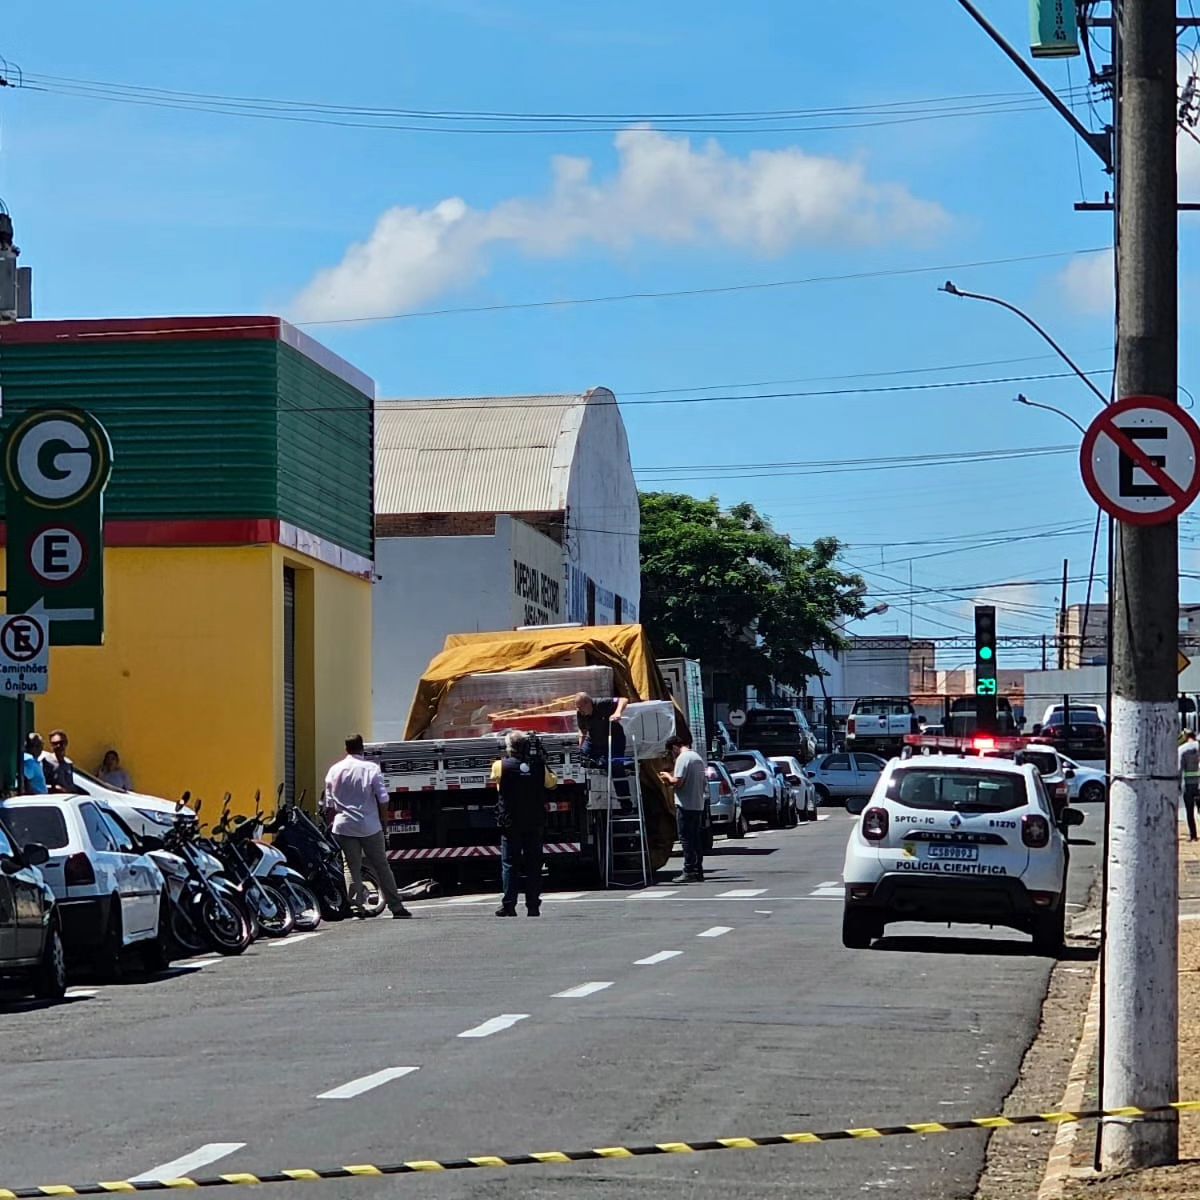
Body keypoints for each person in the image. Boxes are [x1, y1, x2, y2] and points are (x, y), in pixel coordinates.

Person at [322, 734, 412, 919]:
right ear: (362, 747)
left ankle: (357, 907)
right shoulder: (371, 768)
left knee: (350, 866)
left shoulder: (334, 770)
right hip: (369, 824)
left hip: (344, 825)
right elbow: (383, 798)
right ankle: (396, 907)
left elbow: (329, 804)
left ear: (346, 748)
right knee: (381, 865)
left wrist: (331, 825)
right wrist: (384, 823)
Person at [491, 730, 558, 917]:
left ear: (509, 748)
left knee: (510, 863)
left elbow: (496, 783)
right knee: (534, 864)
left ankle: (509, 905)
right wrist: (543, 761)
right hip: (534, 821)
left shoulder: (500, 766)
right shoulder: (538, 766)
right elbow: (552, 783)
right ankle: (533, 906)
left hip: (510, 821)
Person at [659, 733, 707, 884]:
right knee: (695, 839)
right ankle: (698, 870)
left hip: (685, 804)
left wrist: (667, 776)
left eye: (670, 752)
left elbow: (677, 782)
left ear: (674, 748)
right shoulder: (697, 757)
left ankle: (689, 871)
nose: (671, 756)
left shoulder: (682, 758)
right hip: (697, 804)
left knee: (686, 839)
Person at [575, 692, 629, 764]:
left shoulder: (601, 703)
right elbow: (583, 731)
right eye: (577, 707)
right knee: (580, 758)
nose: (579, 710)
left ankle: (627, 768)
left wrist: (617, 712)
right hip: (593, 740)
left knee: (612, 765)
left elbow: (623, 700)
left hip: (613, 739)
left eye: (580, 707)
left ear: (588, 703)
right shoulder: (580, 713)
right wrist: (580, 748)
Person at [42, 729, 77, 794]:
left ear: (66, 743)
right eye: (55, 744)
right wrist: (55, 788)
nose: (58, 746)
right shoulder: (47, 762)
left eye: (61, 743)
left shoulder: (68, 763)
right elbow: (41, 785)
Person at [1181, 730, 1200, 842]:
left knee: (1190, 811)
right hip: (1199, 784)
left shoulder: (1182, 750)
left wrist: (1177, 785)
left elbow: (1179, 769)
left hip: (1188, 785)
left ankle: (1193, 835)